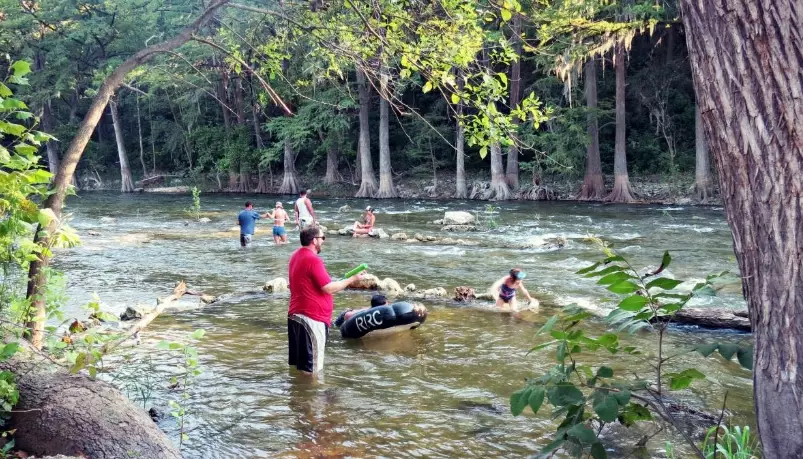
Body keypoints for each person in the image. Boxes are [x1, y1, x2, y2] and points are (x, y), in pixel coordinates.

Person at [287, 226, 365, 376]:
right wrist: (352, 279)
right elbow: (328, 288)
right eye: (322, 238)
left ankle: (299, 396)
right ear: (314, 240)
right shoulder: (313, 260)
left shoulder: (295, 256)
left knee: (300, 367)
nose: (323, 241)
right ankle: (312, 398)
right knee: (312, 369)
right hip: (311, 318)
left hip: (296, 316)